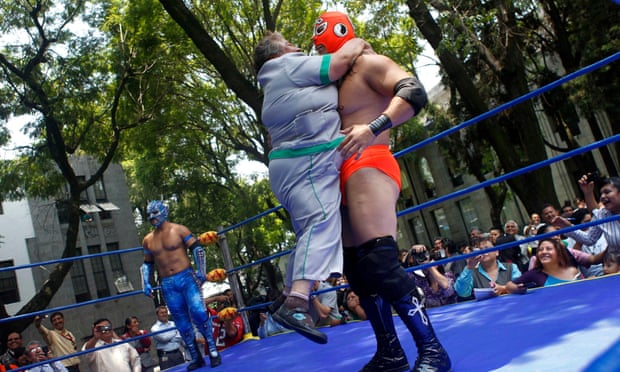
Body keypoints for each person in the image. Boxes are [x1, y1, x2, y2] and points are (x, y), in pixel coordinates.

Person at [313, 11, 451, 371]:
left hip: (369, 162)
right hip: (337, 174)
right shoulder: (329, 82)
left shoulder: (369, 64)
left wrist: (372, 127)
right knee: (357, 271)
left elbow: (414, 91)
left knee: (381, 262)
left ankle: (433, 350)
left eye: (321, 38)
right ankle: (391, 353)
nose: (317, 47)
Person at [253, 31, 370, 344]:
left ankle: (291, 297)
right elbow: (341, 62)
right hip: (304, 163)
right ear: (277, 52)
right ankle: (297, 302)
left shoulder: (275, 81)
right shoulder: (289, 66)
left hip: (291, 165)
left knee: (309, 229)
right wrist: (357, 41)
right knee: (320, 220)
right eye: (291, 44)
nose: (298, 47)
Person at [141, 200, 221, 369]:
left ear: (163, 211)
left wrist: (202, 271)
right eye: (149, 214)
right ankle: (195, 356)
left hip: (186, 277)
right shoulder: (148, 240)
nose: (152, 217)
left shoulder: (179, 229)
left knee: (199, 312)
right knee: (181, 322)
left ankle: (213, 350)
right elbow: (147, 263)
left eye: (155, 213)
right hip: (168, 284)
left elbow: (197, 249)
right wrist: (145, 283)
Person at [553, 176, 620, 261]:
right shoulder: (602, 215)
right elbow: (589, 239)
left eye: (607, 192)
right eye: (601, 194)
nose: (602, 197)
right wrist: (567, 227)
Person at [506, 238, 583, 293]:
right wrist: (516, 289)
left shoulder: (573, 271)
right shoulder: (535, 273)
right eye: (540, 250)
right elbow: (509, 285)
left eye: (549, 249)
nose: (543, 252)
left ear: (558, 253)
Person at [454, 237, 522, 298]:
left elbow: (520, 286)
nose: (484, 251)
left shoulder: (511, 267)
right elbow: (462, 293)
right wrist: (469, 267)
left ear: (496, 252)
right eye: (480, 249)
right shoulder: (472, 273)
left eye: (487, 248)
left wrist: (504, 289)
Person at [150, 306, 186, 370]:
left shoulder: (173, 324)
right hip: (165, 356)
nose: (164, 314)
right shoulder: (154, 328)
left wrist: (169, 337)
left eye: (165, 312)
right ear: (157, 315)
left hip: (178, 353)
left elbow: (180, 336)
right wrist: (174, 332)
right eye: (162, 313)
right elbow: (164, 338)